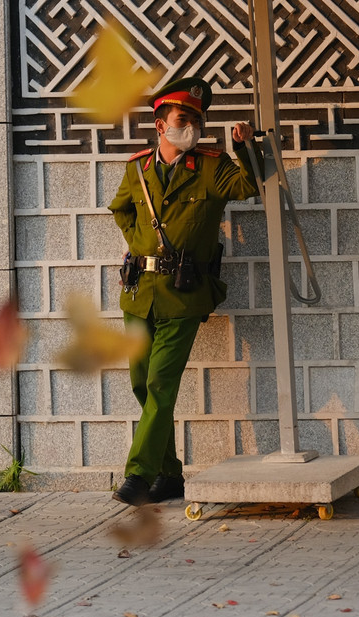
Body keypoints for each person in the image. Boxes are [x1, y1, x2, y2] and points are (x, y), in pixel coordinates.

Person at [108, 77, 259, 506]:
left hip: (184, 294)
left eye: (196, 118)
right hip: (139, 292)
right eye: (183, 118)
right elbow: (120, 208)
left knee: (159, 383)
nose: (191, 125)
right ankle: (171, 475)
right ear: (161, 125)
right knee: (142, 384)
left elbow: (247, 186)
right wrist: (138, 241)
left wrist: (244, 147)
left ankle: (139, 475)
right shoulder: (137, 169)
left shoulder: (211, 167)